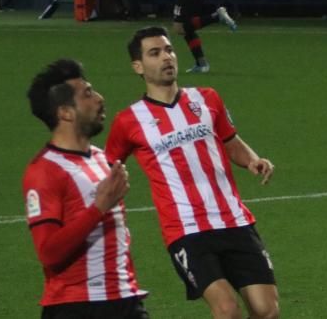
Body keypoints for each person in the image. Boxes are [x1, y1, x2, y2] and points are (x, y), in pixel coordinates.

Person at [106, 27, 279, 319]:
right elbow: (108, 164)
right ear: (138, 66)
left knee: (268, 310)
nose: (166, 57)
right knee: (227, 311)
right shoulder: (128, 120)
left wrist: (252, 160)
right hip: (186, 229)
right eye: (155, 53)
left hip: (233, 219)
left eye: (169, 50)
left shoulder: (207, 98)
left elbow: (230, 141)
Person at [23, 59, 148, 318]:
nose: (100, 99)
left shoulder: (101, 159)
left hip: (125, 299)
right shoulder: (44, 171)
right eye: (88, 93)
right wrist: (99, 206)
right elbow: (49, 253)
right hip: (77, 307)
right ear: (65, 112)